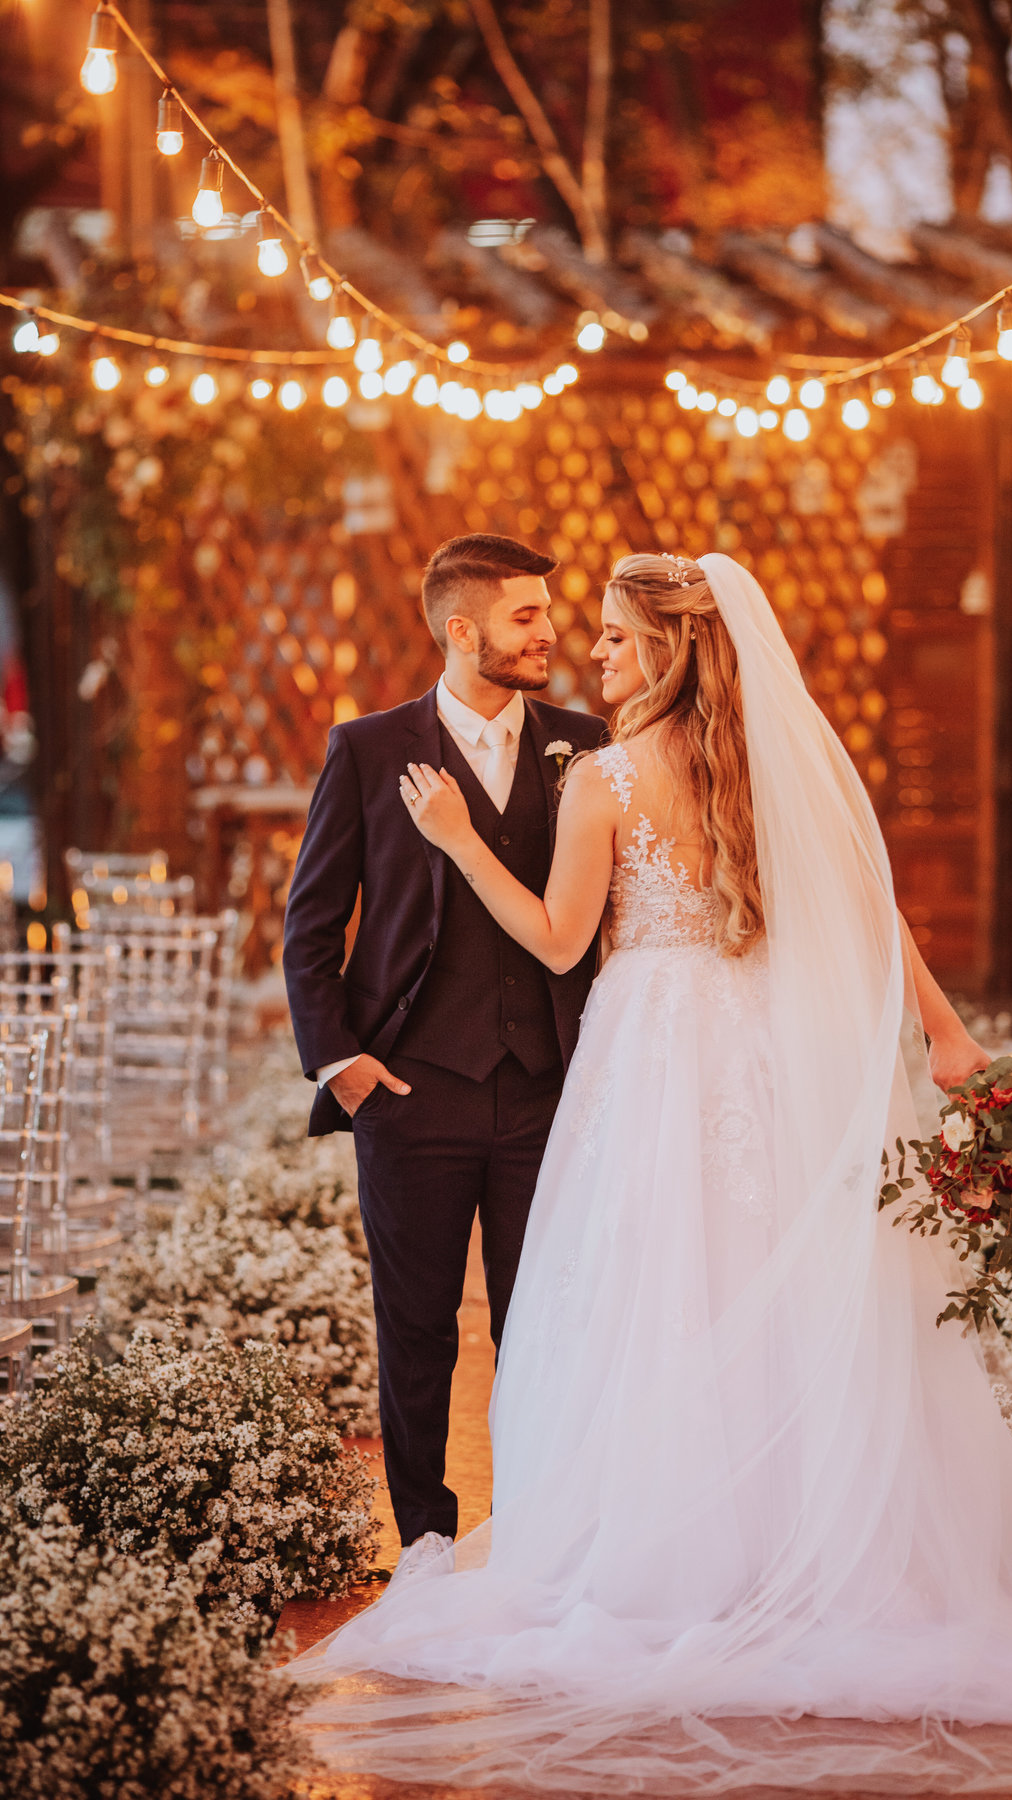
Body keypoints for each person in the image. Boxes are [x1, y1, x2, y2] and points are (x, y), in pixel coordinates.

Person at [293, 551, 1012, 1796]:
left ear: (658, 652)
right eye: (568, 628)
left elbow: (552, 935)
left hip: (644, 1059)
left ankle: (658, 1555)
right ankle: (795, 1544)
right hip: (757, 1056)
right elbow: (874, 902)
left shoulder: (600, 773)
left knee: (650, 1300)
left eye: (607, 636)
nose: (589, 651)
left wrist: (457, 839)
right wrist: (948, 1032)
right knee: (778, 1281)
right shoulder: (775, 765)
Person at [282, 534, 605, 1568]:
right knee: (418, 1330)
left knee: (543, 1330)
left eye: (548, 612)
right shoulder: (370, 751)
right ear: (461, 631)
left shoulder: (586, 744)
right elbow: (312, 921)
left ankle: (539, 1538)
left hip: (549, 1092)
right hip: (412, 1093)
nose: (550, 631)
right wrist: (345, 1063)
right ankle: (425, 1543)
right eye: (526, 616)